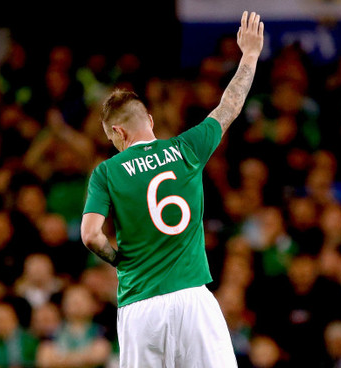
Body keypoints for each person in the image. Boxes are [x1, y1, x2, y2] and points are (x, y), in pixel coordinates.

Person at [80, 11, 264, 367]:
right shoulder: (186, 148)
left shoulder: (106, 172)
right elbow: (229, 106)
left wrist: (118, 260)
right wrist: (250, 56)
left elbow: (90, 235)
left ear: (117, 133)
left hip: (140, 306)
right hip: (193, 298)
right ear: (148, 120)